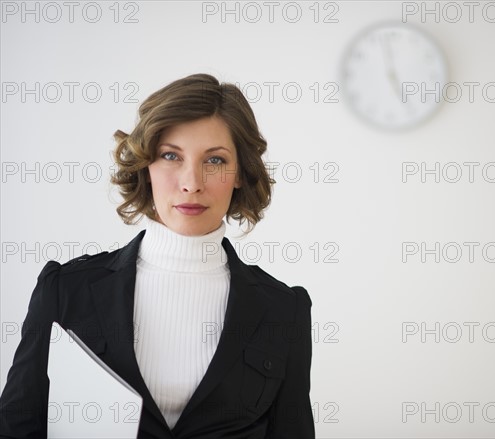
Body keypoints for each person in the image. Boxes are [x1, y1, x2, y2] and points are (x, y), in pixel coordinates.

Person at [0, 73, 315, 438]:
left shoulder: (283, 310)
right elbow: (16, 427)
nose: (191, 182)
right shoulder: (65, 291)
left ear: (241, 173)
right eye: (170, 156)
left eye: (214, 160)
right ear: (145, 166)